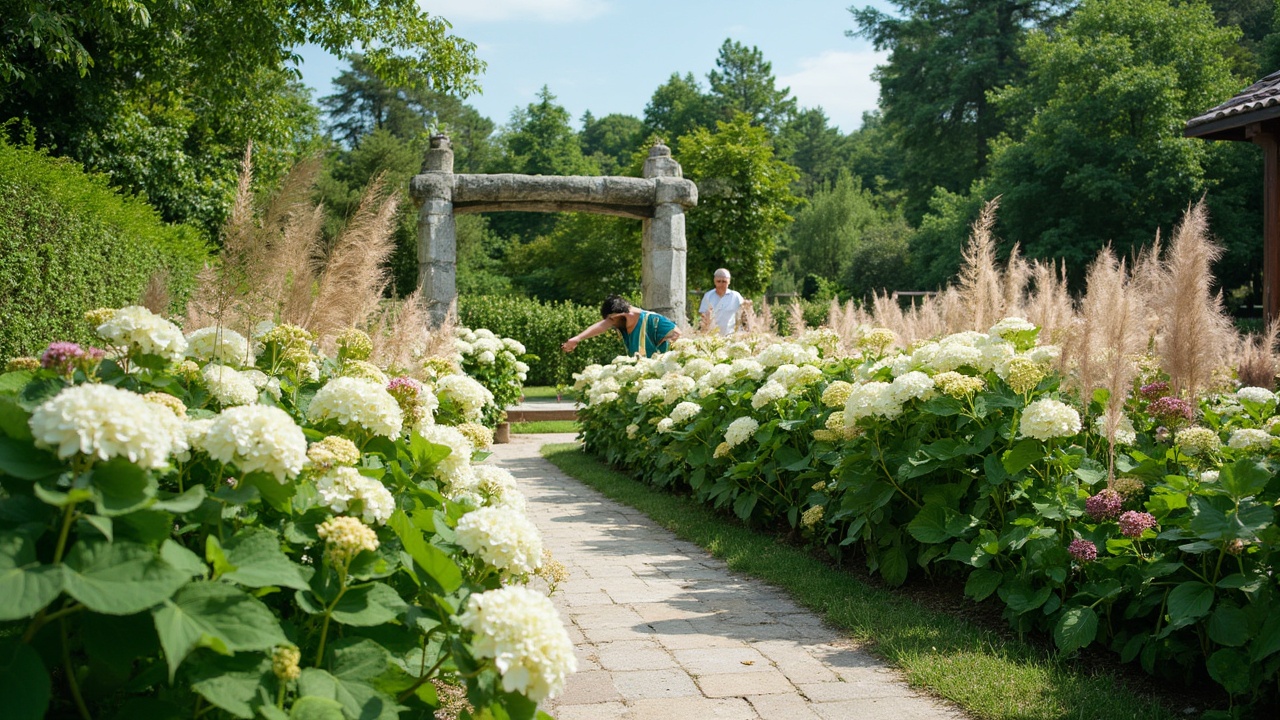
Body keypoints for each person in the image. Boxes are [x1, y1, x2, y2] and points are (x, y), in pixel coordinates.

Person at [561, 295, 681, 357]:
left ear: (623, 314)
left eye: (612, 319)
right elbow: (601, 326)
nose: (611, 323)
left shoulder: (653, 320)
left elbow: (677, 334)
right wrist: (577, 339)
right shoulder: (620, 320)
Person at [698, 268, 746, 336]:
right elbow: (703, 316)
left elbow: (745, 315)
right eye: (719, 281)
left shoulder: (736, 296)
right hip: (712, 337)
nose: (721, 284)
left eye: (724, 281)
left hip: (731, 336)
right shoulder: (708, 296)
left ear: (729, 281)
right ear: (714, 281)